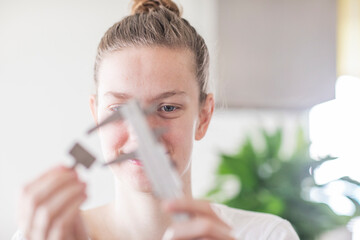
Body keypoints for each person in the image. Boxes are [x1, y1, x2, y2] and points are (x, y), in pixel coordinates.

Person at [13, 0, 300, 239]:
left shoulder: (267, 235)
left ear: (203, 116)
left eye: (168, 108)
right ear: (95, 113)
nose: (142, 137)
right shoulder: (44, 234)